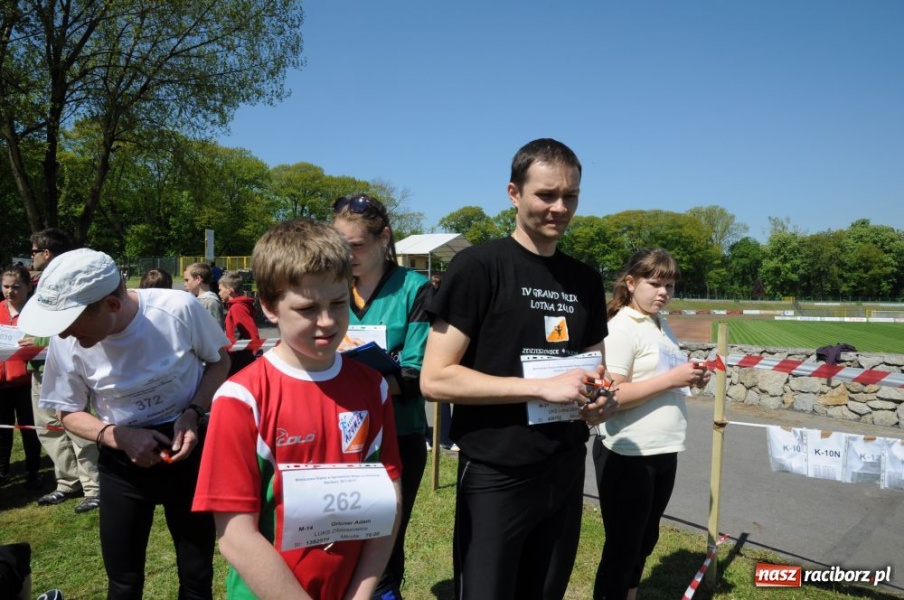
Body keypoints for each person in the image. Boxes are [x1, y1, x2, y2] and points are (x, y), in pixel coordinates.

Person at [421, 138, 617, 600]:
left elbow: (597, 370)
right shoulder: (477, 266)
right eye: (545, 195)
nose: (559, 207)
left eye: (570, 196)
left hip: (565, 467)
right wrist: (543, 389)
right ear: (514, 193)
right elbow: (435, 378)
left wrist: (600, 400)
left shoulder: (585, 279)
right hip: (496, 470)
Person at [192, 219, 403, 599]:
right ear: (270, 307)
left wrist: (362, 590)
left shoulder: (373, 387)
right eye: (307, 308)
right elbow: (235, 536)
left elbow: (389, 497)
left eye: (338, 303)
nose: (326, 322)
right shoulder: (241, 398)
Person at [20, 248, 231, 599]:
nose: (66, 335)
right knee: (123, 581)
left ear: (112, 306)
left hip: (188, 451)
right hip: (122, 464)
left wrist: (193, 412)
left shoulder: (178, 309)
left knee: (196, 574)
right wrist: (116, 436)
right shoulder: (65, 340)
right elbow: (67, 411)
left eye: (72, 324)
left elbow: (219, 362)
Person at [591, 249, 711, 600]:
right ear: (630, 283)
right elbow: (610, 397)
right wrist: (673, 379)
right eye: (655, 284)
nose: (663, 293)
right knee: (623, 547)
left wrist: (690, 379)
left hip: (664, 449)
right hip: (628, 452)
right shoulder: (620, 328)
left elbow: (660, 379)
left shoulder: (661, 324)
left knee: (645, 541)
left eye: (670, 286)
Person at [332, 194, 430, 598]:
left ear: (384, 238)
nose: (347, 255)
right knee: (337, 546)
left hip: (397, 436)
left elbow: (416, 377)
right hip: (335, 435)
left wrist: (350, 375)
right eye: (340, 246)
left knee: (383, 550)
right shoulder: (332, 283)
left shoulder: (415, 289)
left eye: (356, 245)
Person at [25, 229, 101, 512]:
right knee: (48, 427)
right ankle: (68, 482)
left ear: (46, 254)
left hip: (68, 365)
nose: (30, 257)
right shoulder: (38, 282)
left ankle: (94, 486)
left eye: (33, 251)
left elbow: (70, 323)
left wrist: (39, 338)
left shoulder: (70, 280)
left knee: (78, 426)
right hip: (39, 368)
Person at [0, 265, 42, 490]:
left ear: (28, 287)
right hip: (1, 383)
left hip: (26, 381)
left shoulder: (36, 315)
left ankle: (33, 471)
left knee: (29, 429)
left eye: (16, 287)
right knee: (3, 430)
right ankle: (3, 470)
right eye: (6, 286)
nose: (10, 291)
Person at [217, 271, 259, 344]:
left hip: (239, 352)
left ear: (229, 290)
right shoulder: (235, 306)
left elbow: (250, 331)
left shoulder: (237, 307)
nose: (219, 293)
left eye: (220, 290)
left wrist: (255, 350)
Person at [183, 262, 224, 327]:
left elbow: (216, 331)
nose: (184, 284)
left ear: (198, 279)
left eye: (187, 280)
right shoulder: (195, 299)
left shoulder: (211, 303)